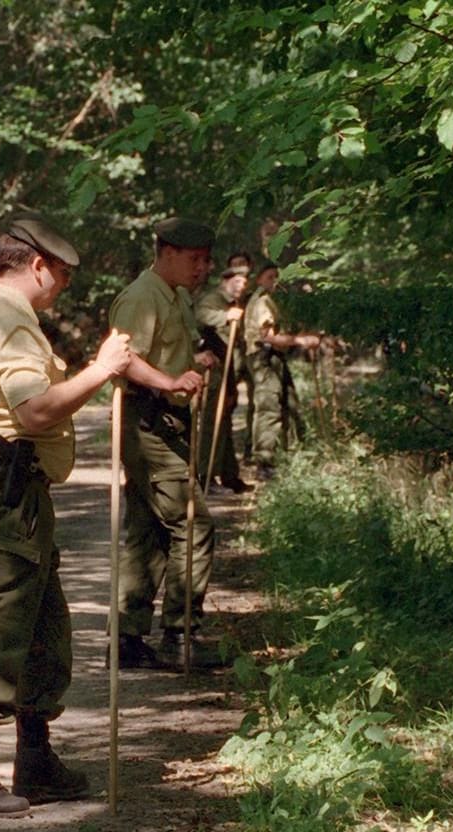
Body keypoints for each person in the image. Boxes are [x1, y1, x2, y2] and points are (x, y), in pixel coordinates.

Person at [0, 215, 137, 818]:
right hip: (0, 485)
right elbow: (35, 413)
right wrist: (101, 369)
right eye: (60, 274)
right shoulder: (9, 322)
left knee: (40, 620)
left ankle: (35, 757)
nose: (62, 285)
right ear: (36, 266)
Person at [108, 217, 223, 671]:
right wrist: (170, 380)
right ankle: (181, 634)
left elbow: (164, 351)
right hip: (145, 421)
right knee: (193, 522)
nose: (202, 268)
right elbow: (125, 360)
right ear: (167, 252)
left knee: (149, 530)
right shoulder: (141, 296)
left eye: (206, 260)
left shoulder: (174, 296)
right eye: (195, 259)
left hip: (166, 422)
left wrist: (193, 361)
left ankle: (128, 637)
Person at [242, 260, 321, 480]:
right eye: (269, 277)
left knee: (289, 402)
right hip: (263, 357)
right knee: (269, 405)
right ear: (259, 280)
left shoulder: (273, 301)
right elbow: (267, 336)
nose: (274, 281)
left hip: (275, 357)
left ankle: (287, 453)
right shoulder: (262, 301)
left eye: (277, 277)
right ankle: (265, 462)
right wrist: (300, 340)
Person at [192, 263, 251, 493]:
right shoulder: (213, 300)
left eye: (245, 283)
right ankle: (205, 474)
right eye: (237, 282)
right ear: (226, 281)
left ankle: (228, 474)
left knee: (224, 418)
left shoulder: (235, 304)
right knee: (210, 420)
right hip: (211, 368)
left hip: (228, 369)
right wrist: (225, 316)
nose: (242, 286)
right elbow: (201, 317)